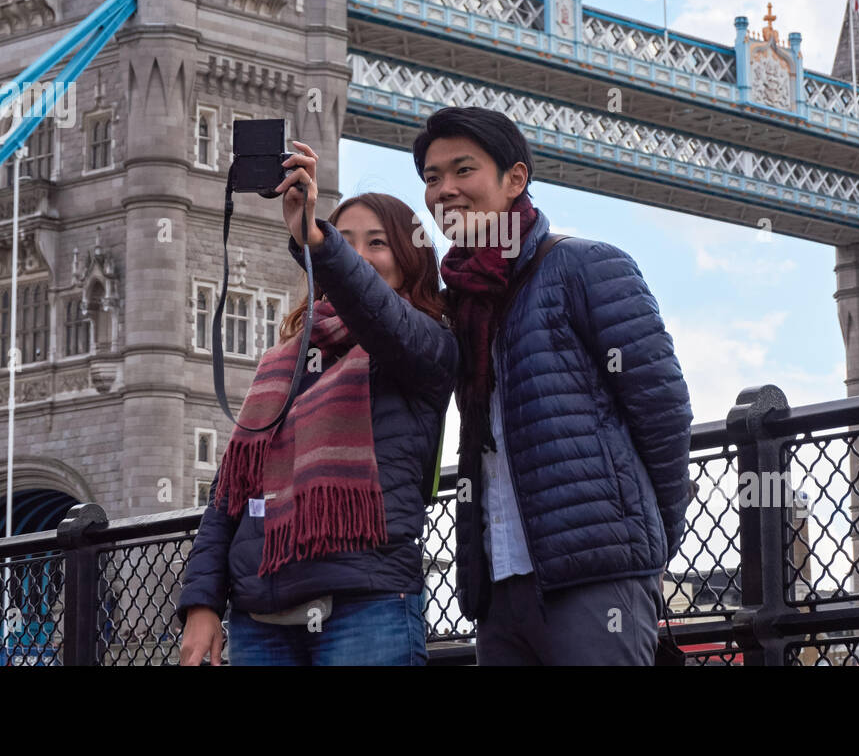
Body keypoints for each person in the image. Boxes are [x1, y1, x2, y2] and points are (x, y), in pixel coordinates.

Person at [412, 106, 693, 666]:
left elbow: (662, 410)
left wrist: (646, 542)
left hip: (594, 577)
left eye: (462, 170)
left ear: (515, 179)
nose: (445, 189)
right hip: (496, 584)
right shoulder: (460, 303)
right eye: (431, 177)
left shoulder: (586, 266)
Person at [176, 141, 458, 666]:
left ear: (409, 260)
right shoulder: (285, 359)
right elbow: (229, 496)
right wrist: (201, 602)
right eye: (344, 240)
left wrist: (321, 242)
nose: (357, 253)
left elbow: (382, 319)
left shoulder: (425, 346)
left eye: (377, 243)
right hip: (260, 613)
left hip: (366, 602)